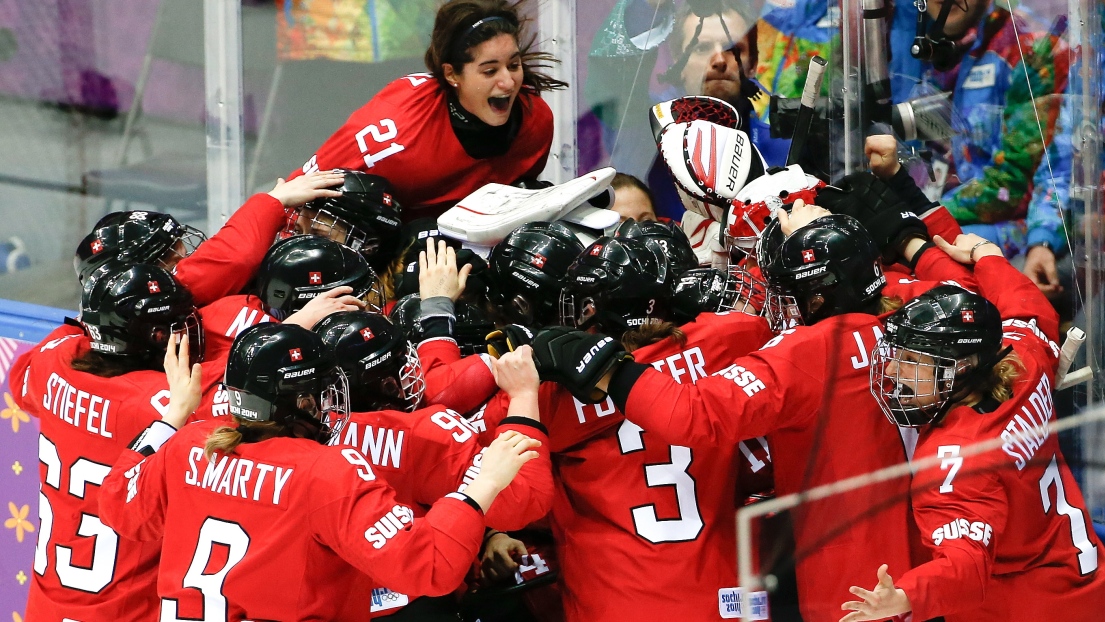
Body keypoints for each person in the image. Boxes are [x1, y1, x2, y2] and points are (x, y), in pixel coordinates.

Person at [98, 323, 543, 621]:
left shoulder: (191, 443)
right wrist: (481, 487)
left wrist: (174, 414)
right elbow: (427, 566)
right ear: (304, 401)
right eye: (323, 393)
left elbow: (118, 505)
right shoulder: (325, 471)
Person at [477, 233, 776, 622]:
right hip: (728, 598)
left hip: (616, 603)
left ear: (587, 309)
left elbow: (479, 468)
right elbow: (747, 325)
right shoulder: (726, 342)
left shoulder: (542, 397)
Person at [841, 233, 1105, 621]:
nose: (895, 372)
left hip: (1021, 607)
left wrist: (905, 596)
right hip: (1085, 582)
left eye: (912, 359)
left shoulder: (956, 455)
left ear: (959, 366)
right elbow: (1028, 309)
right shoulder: (1022, 364)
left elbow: (966, 561)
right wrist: (987, 255)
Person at [9, 262, 218, 621]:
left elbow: (25, 380)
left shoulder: (55, 363)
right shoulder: (159, 404)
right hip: (123, 610)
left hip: (47, 605)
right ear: (154, 338)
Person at [315, 310, 553, 619]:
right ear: (384, 384)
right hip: (414, 597)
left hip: (324, 604)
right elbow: (526, 498)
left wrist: (488, 535)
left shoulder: (276, 433)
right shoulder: (422, 432)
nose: (413, 369)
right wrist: (523, 396)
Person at [289, 0, 566, 220]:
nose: (507, 82)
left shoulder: (536, 120)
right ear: (452, 74)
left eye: (514, 65)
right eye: (490, 70)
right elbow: (294, 195)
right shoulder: (396, 131)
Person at [891, 0, 1071, 298]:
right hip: (957, 214)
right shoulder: (936, 49)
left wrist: (921, 215)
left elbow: (1012, 187)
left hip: (1022, 226)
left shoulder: (1028, 48)